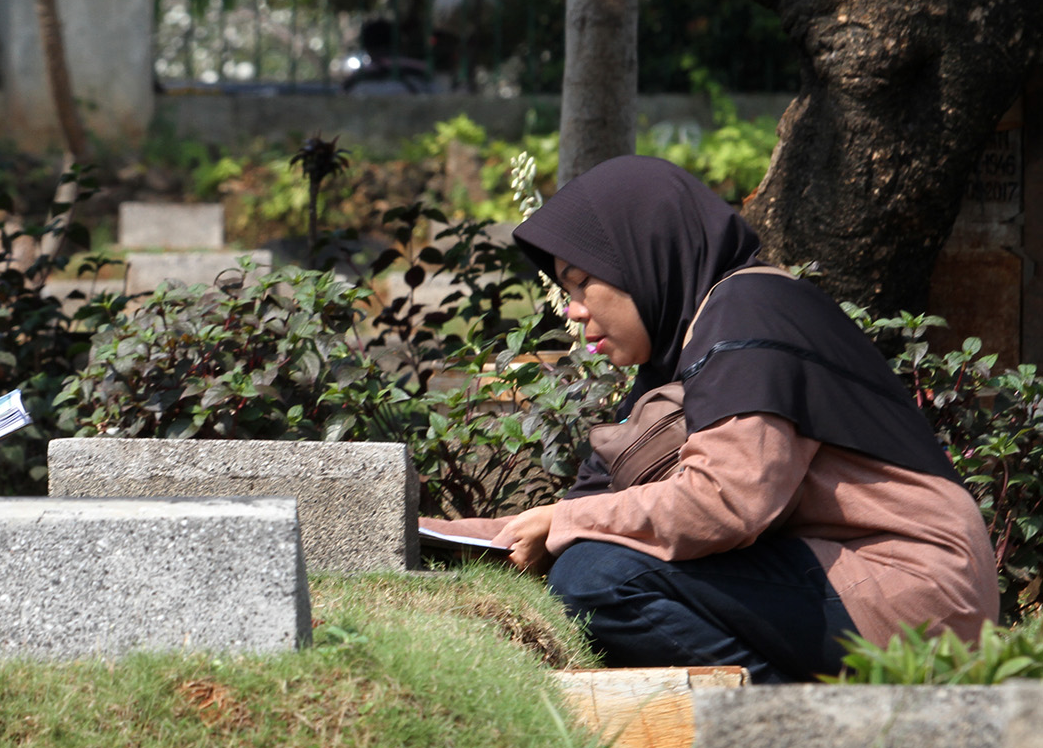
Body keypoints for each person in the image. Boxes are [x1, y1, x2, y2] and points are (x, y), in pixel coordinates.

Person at [421, 155, 1000, 683]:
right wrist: (425, 538)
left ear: (644, 251)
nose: (573, 311)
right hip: (840, 575)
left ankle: (788, 738)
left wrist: (564, 525)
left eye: (582, 281)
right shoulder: (682, 349)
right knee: (588, 560)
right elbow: (580, 507)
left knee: (597, 577)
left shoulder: (750, 313)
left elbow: (725, 501)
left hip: (912, 588)